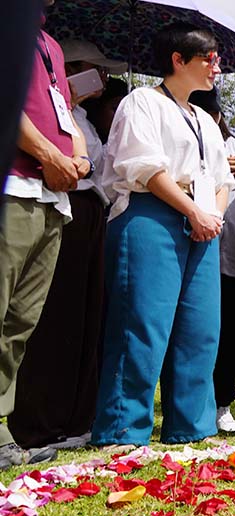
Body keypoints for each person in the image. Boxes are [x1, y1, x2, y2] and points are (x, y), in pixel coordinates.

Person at [92, 23, 232, 450]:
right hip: (153, 213)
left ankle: (192, 426)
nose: (216, 68)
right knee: (143, 324)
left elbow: (224, 179)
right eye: (209, 58)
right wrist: (191, 209)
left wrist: (212, 215)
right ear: (178, 59)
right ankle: (124, 429)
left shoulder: (206, 121)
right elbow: (144, 168)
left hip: (204, 223)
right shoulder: (143, 102)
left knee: (201, 329)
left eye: (218, 61)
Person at [9, 39, 122, 451]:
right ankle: (33, 419)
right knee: (46, 320)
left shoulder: (81, 119)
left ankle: (71, 416)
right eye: (89, 68)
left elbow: (93, 161)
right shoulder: (36, 83)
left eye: (103, 73)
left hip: (82, 210)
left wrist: (83, 160)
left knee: (78, 320)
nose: (100, 79)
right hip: (41, 192)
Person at [0, 15, 89, 467]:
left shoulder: (51, 44)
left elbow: (64, 112)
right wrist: (48, 154)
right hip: (13, 185)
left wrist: (79, 159)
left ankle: (1, 429)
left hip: (53, 197)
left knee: (21, 320)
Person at [189, 87, 235, 435]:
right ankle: (193, 403)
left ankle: (223, 403)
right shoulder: (185, 136)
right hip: (194, 251)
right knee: (198, 333)